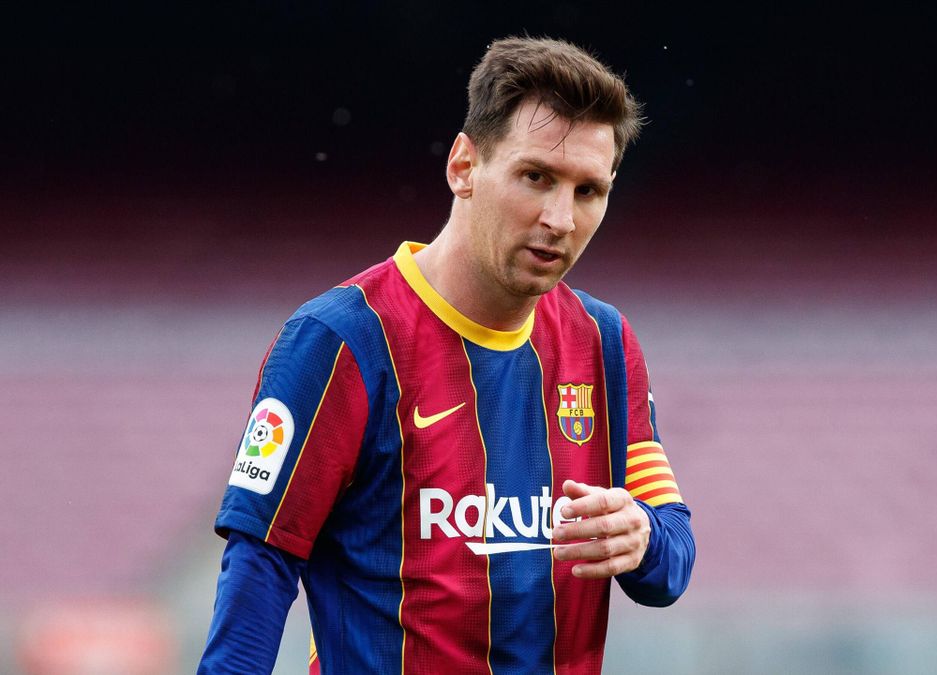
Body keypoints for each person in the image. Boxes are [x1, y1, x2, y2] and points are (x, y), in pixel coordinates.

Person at [198, 36, 695, 674]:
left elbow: (671, 562)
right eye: (536, 177)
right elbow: (260, 565)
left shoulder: (605, 343)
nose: (560, 219)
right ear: (463, 167)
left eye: (588, 190)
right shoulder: (341, 340)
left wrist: (643, 537)